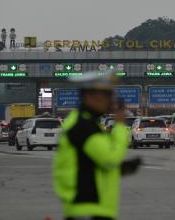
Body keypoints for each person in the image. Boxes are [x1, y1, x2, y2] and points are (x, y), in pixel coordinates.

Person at [53, 71, 135, 220]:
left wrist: (121, 169)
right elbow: (110, 159)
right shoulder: (84, 126)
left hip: (89, 207)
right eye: (107, 96)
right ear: (90, 96)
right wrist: (120, 126)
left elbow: (89, 162)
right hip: (88, 207)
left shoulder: (84, 121)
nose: (111, 101)